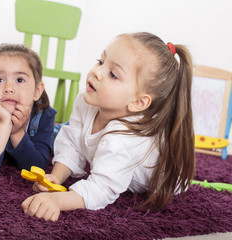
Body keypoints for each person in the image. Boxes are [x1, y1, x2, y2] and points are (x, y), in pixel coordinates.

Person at [21, 32, 195, 221]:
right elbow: (72, 142)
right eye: (100, 61)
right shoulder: (86, 101)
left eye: (113, 74)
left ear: (138, 102)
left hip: (165, 177)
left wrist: (57, 201)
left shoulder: (123, 139)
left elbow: (101, 189)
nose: (97, 71)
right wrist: (56, 177)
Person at [0, 44, 56, 177]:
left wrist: (16, 132)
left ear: (37, 91)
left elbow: (38, 167)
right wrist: (5, 124)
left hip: (57, 134)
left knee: (62, 136)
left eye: (19, 80)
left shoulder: (45, 116)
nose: (8, 88)